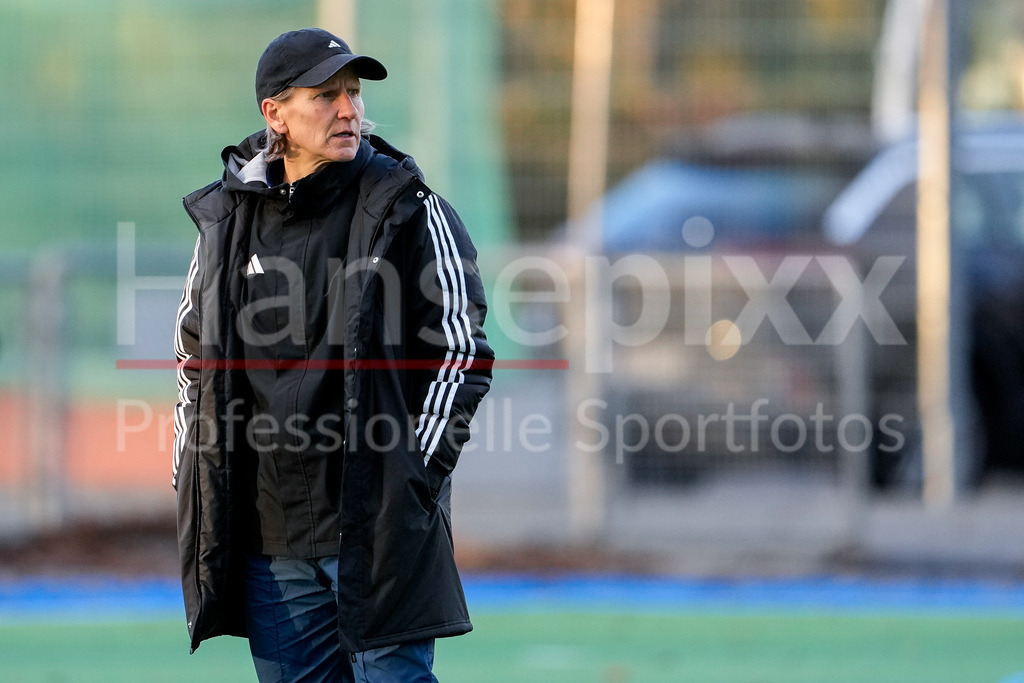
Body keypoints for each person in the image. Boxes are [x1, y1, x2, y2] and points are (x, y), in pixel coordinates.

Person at [172, 27, 493, 682]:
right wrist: (194, 475)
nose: (348, 109)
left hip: (377, 534)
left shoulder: (407, 205)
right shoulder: (227, 222)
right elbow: (193, 358)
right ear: (275, 114)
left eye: (353, 93)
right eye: (326, 95)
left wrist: (411, 479)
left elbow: (461, 349)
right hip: (272, 541)